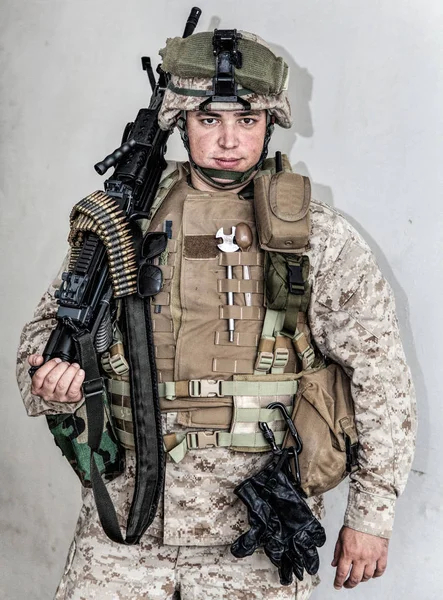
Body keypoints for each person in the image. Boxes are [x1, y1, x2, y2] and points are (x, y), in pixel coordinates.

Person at [16, 29, 416, 600]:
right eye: (209, 120)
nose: (229, 140)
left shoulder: (316, 238)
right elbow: (42, 339)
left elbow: (381, 377)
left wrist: (371, 516)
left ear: (270, 124)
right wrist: (52, 383)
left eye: (247, 121)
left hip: (255, 526)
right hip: (125, 529)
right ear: (181, 123)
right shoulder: (121, 222)